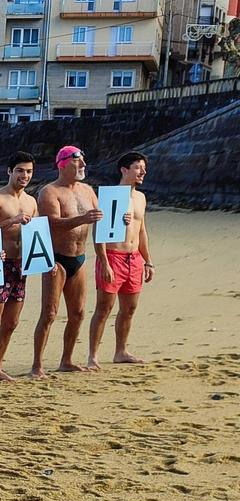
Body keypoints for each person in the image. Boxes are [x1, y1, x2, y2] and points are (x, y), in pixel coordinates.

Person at [33, 145, 103, 377]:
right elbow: (50, 222)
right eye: (77, 161)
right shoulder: (49, 192)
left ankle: (67, 359)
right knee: (50, 313)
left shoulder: (87, 190)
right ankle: (37, 365)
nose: (82, 165)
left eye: (83, 161)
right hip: (56, 258)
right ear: (62, 164)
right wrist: (82, 218)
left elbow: (101, 216)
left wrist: (119, 218)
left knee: (78, 313)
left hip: (79, 257)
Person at [0, 152, 38, 388]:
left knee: (11, 322)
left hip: (20, 264)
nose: (25, 176)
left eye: (29, 171)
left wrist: (44, 261)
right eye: (20, 170)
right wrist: (10, 222)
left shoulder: (31, 201)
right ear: (10, 171)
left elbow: (37, 235)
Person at [87, 151, 152, 369]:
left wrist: (148, 261)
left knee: (129, 308)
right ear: (124, 170)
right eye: (137, 167)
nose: (142, 171)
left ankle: (121, 350)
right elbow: (99, 232)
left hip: (133, 258)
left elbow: (142, 230)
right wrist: (104, 262)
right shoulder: (110, 196)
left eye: (143, 167)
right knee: (104, 308)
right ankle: (93, 355)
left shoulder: (141, 198)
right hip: (113, 256)